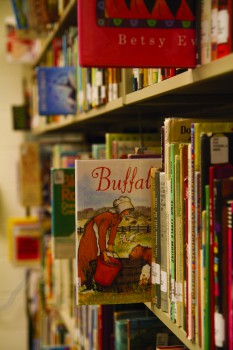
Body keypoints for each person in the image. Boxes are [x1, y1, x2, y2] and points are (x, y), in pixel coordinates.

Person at [77, 196, 134, 288]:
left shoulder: (119, 217)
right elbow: (102, 235)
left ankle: (96, 279)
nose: (128, 213)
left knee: (103, 253)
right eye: (127, 210)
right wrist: (104, 253)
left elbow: (114, 230)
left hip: (99, 231)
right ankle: (86, 280)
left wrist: (110, 244)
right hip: (91, 229)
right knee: (91, 252)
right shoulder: (107, 217)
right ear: (121, 209)